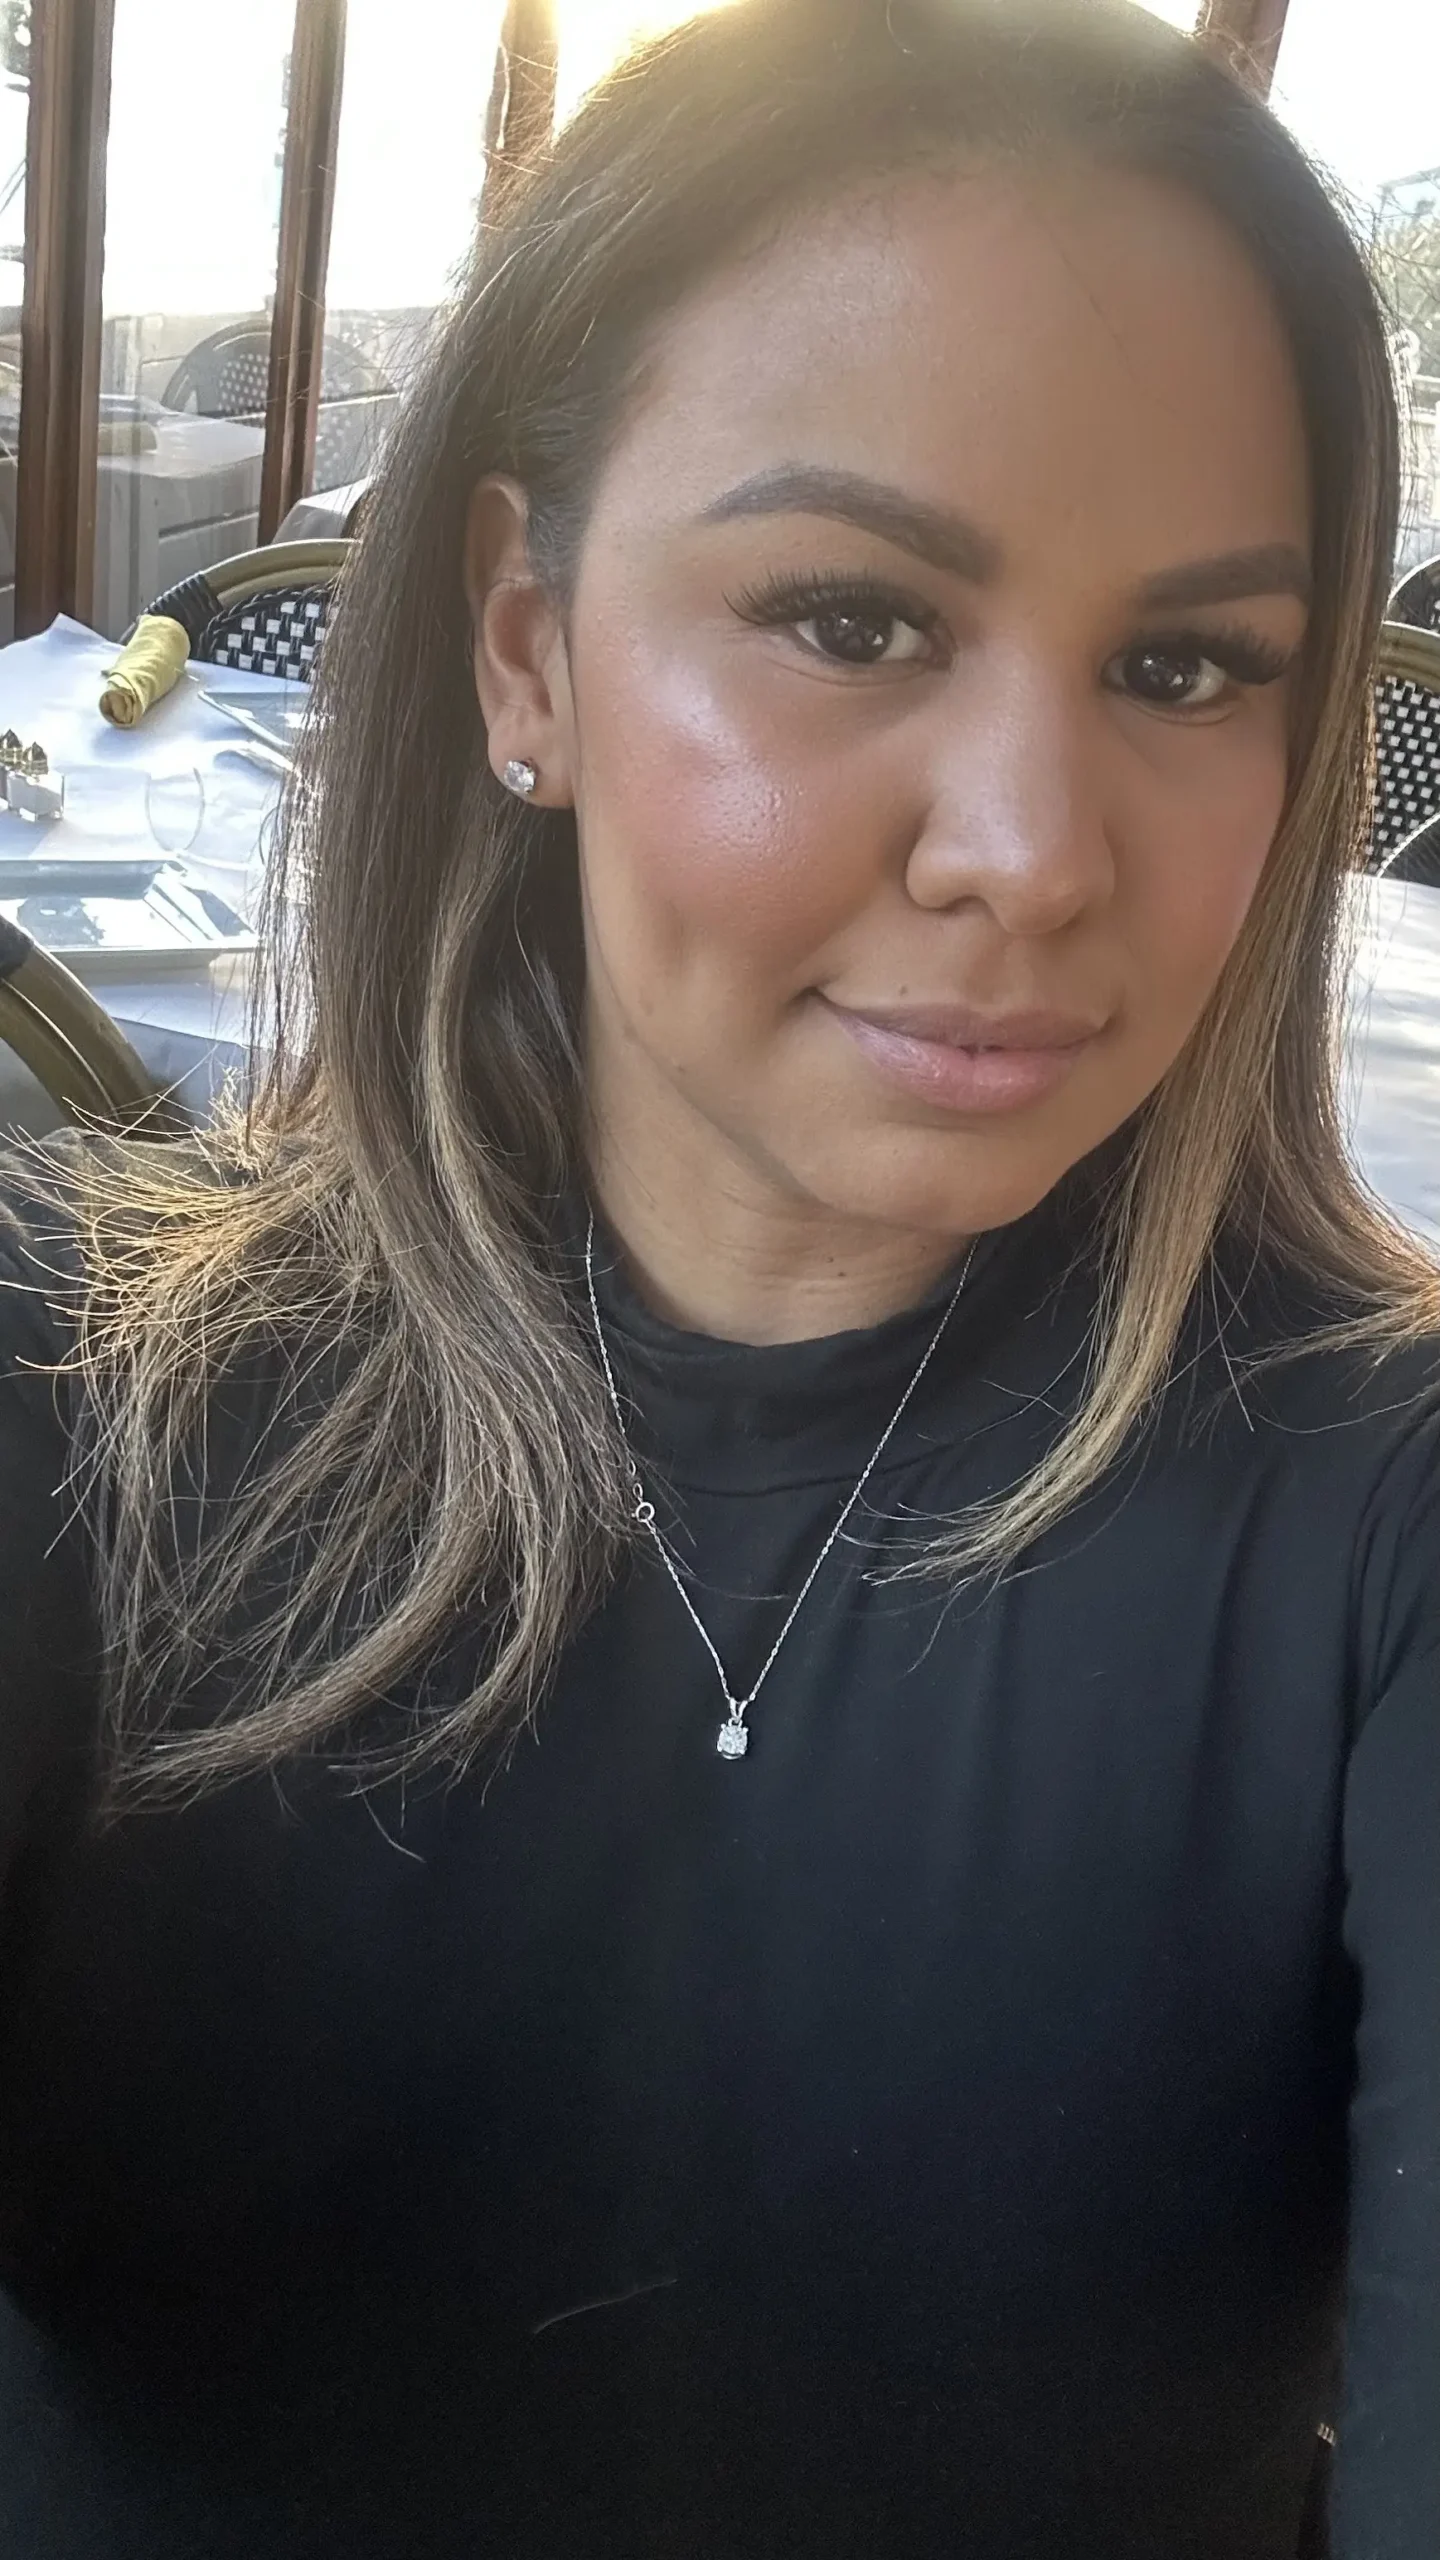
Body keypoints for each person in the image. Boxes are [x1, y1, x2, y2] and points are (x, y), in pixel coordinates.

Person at [1, 0, 1436, 2550]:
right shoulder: (67, 1384)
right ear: (529, 646)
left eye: (1185, 665)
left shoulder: (1386, 1527)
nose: (1034, 848)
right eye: (855, 617)